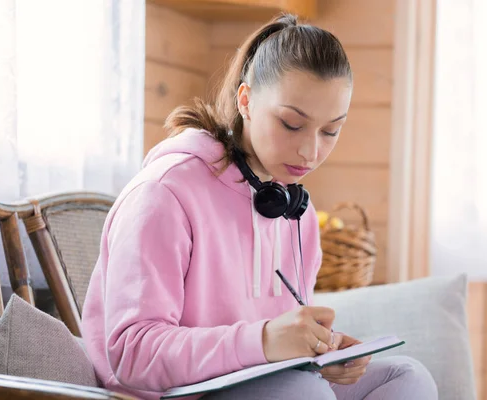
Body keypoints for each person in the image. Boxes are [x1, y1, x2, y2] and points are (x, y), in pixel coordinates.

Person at [81, 13, 438, 400]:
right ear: (246, 100)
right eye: (291, 123)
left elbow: (274, 350)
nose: (311, 151)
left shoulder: (294, 211)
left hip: (264, 384)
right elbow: (132, 354)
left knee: (406, 377)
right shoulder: (164, 193)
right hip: (174, 395)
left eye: (331, 130)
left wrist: (315, 353)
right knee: (305, 394)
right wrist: (265, 341)